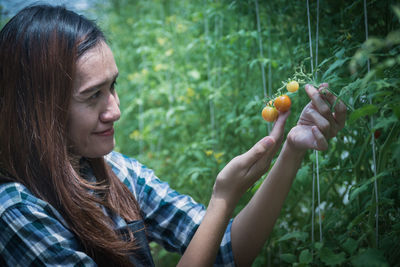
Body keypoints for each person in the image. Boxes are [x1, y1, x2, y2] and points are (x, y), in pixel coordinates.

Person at [0, 4, 346, 267]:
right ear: (38, 109)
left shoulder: (116, 173)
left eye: (113, 87)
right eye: (93, 95)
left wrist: (291, 152)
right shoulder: (16, 212)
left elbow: (225, 251)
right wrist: (222, 200)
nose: (115, 110)